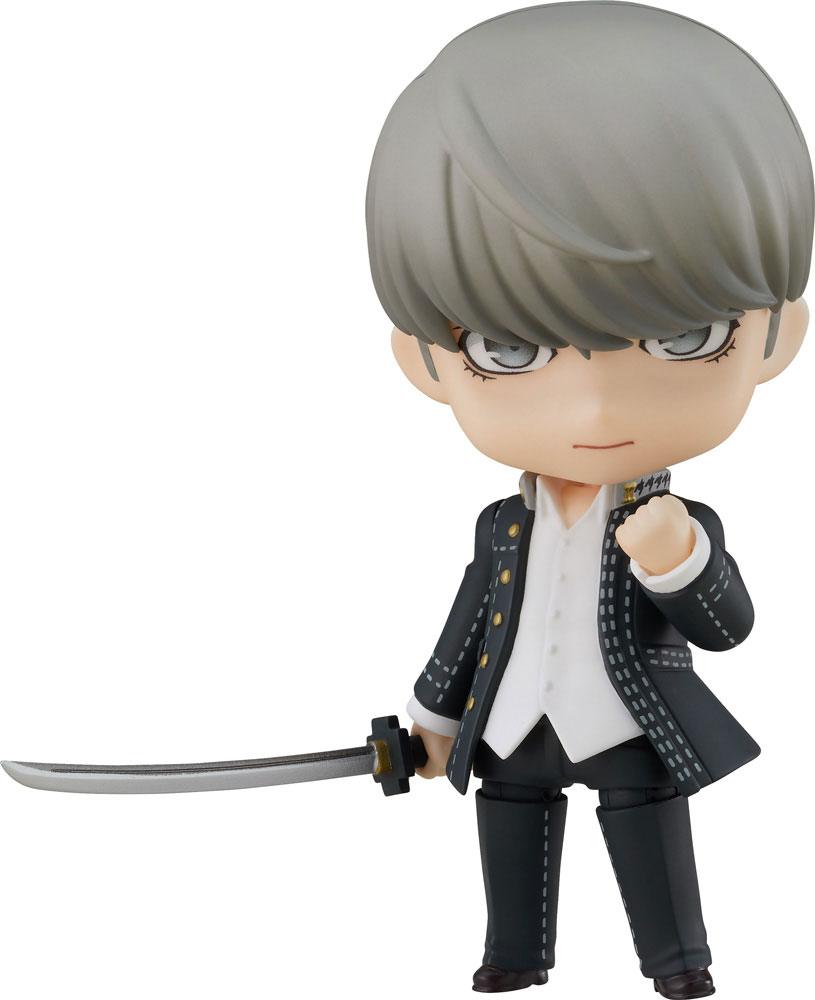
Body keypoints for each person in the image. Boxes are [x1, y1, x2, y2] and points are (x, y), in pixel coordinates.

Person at [365, 4, 813, 997]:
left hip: (628, 722)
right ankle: (513, 955)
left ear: (776, 336)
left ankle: (677, 963)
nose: (596, 408)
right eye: (507, 349)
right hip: (512, 721)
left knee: (646, 834)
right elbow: (469, 622)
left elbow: (727, 627)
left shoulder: (674, 522)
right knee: (509, 824)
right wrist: (432, 716)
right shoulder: (502, 526)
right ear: (426, 361)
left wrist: (680, 562)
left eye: (685, 337)